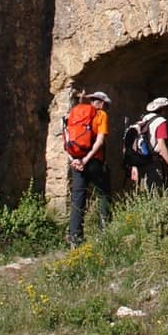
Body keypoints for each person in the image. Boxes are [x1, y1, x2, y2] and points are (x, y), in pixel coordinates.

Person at [68, 90, 111, 245]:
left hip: (76, 161)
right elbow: (99, 142)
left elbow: (67, 138)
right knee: (104, 194)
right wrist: (86, 160)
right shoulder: (101, 115)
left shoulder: (75, 113)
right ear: (103, 103)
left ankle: (75, 239)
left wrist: (73, 159)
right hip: (93, 161)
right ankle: (104, 233)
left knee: (77, 199)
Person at [130, 96, 168, 190]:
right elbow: (161, 146)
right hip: (153, 162)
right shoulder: (161, 122)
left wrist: (134, 166)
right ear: (163, 109)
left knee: (143, 192)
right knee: (156, 192)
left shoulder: (144, 119)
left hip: (140, 161)